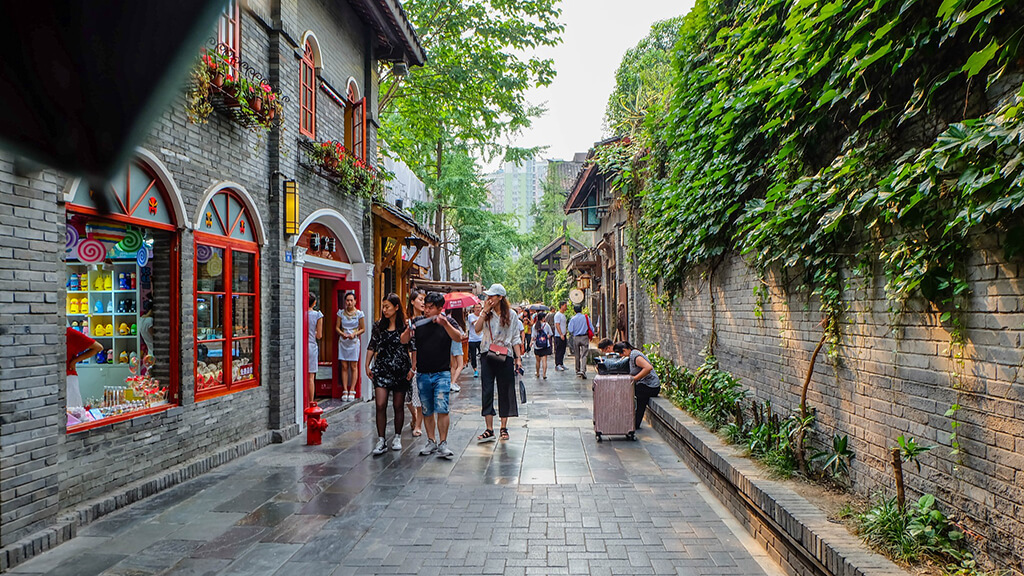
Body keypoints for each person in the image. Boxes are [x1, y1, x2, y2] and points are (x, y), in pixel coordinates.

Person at [404, 291, 463, 459]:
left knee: (442, 407)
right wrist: (409, 330)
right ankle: (431, 440)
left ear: (439, 308)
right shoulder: (417, 322)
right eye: (426, 307)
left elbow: (458, 337)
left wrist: (445, 324)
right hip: (422, 372)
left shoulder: (448, 321)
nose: (427, 311)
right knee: (427, 409)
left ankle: (443, 443)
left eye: (431, 308)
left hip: (442, 372)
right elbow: (404, 340)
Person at [473, 284, 524, 443]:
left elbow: (515, 337)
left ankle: (503, 427)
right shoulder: (487, 313)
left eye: (492, 296)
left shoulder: (512, 315)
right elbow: (477, 329)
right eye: (488, 296)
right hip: (487, 354)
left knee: (505, 390)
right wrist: (484, 311)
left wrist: (518, 358)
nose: (489, 299)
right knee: (487, 390)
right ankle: (489, 429)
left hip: (505, 355)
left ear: (500, 297)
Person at [366, 293, 414, 455]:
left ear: (396, 307)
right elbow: (372, 345)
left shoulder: (405, 326)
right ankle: (381, 439)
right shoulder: (378, 326)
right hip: (382, 368)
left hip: (401, 369)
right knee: (380, 404)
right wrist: (367, 365)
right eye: (383, 307)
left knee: (398, 405)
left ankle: (398, 436)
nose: (384, 310)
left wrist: (412, 368)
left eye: (387, 307)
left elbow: (412, 348)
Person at [613, 341, 661, 434]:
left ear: (624, 350)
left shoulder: (635, 356)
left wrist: (635, 378)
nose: (621, 355)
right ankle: (630, 419)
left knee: (638, 395)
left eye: (620, 353)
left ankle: (636, 422)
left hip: (651, 386)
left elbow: (648, 368)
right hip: (644, 384)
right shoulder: (631, 355)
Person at [336, 292, 365, 402]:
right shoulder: (341, 313)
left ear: (355, 301)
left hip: (353, 341)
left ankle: (352, 389)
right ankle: (344, 389)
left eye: (351, 300)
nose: (349, 302)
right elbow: (337, 327)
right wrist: (342, 333)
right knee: (344, 365)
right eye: (347, 300)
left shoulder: (359, 314)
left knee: (353, 365)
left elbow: (363, 328)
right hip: (343, 341)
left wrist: (355, 334)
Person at [66, 327, 102, 408]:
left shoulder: (70, 333)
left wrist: (74, 361)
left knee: (73, 412)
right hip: (64, 377)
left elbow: (98, 347)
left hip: (68, 378)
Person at [405, 290, 425, 436]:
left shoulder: (426, 320)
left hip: (422, 359)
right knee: (407, 395)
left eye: (424, 300)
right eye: (420, 299)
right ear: (412, 301)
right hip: (406, 357)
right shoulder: (407, 321)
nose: (423, 302)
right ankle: (414, 416)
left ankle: (418, 424)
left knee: (419, 393)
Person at [566, 304, 593, 378]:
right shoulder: (586, 318)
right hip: (584, 337)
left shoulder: (573, 319)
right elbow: (591, 327)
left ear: (574, 311)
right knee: (584, 355)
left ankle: (577, 370)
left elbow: (570, 329)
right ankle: (583, 371)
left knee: (577, 355)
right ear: (581, 310)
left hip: (576, 338)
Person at [307, 294, 324, 406]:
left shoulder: (301, 313)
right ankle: (311, 402)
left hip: (302, 346)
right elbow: (319, 336)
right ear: (314, 303)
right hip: (312, 346)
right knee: (311, 377)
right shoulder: (317, 315)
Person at [532, 311, 553, 379]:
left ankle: (538, 373)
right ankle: (544, 374)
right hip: (545, 345)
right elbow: (550, 334)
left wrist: (531, 342)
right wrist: (546, 337)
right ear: (543, 318)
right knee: (544, 360)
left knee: (538, 361)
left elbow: (533, 336)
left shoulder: (534, 326)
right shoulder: (546, 325)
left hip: (537, 345)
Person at [467, 303, 482, 377]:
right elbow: (475, 323)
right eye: (476, 307)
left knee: (483, 354)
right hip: (472, 339)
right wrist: (481, 318)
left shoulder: (482, 316)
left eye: (479, 307)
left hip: (481, 338)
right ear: (473, 308)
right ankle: (475, 370)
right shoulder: (470, 316)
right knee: (473, 356)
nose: (478, 309)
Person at [553, 302, 568, 371]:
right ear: (561, 306)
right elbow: (557, 325)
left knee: (563, 350)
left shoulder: (563, 315)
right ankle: (557, 364)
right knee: (558, 350)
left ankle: (561, 363)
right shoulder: (558, 315)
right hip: (558, 336)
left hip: (563, 335)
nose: (566, 307)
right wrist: (561, 334)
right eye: (565, 306)